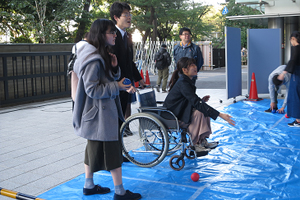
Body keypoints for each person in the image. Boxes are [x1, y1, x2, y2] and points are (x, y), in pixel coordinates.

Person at [72, 19, 142, 200]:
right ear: (101, 34)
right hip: (100, 115)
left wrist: (114, 67)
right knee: (112, 151)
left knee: (92, 149)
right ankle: (120, 192)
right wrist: (117, 85)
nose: (115, 35)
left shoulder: (99, 54)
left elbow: (106, 79)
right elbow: (92, 89)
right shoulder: (93, 59)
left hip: (98, 114)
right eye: (112, 32)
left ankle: (88, 185)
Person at [163, 57, 235, 155]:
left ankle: (201, 141)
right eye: (191, 65)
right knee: (199, 112)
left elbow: (191, 100)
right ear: (185, 70)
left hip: (179, 111)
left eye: (194, 64)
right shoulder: (183, 83)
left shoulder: (186, 81)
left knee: (202, 109)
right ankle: (194, 145)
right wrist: (220, 115)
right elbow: (195, 102)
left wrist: (201, 101)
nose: (195, 67)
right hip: (173, 116)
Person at [110, 2, 146, 120]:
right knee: (117, 113)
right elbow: (114, 62)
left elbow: (129, 61)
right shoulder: (111, 36)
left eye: (129, 14)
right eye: (125, 14)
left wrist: (139, 78)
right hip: (116, 83)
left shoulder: (128, 36)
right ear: (116, 17)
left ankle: (124, 129)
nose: (129, 17)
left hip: (127, 81)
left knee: (126, 106)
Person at [278, 31, 300, 127]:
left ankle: (298, 120)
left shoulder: (296, 48)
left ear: (293, 39)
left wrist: (283, 73)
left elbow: (292, 61)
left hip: (297, 75)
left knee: (295, 96)